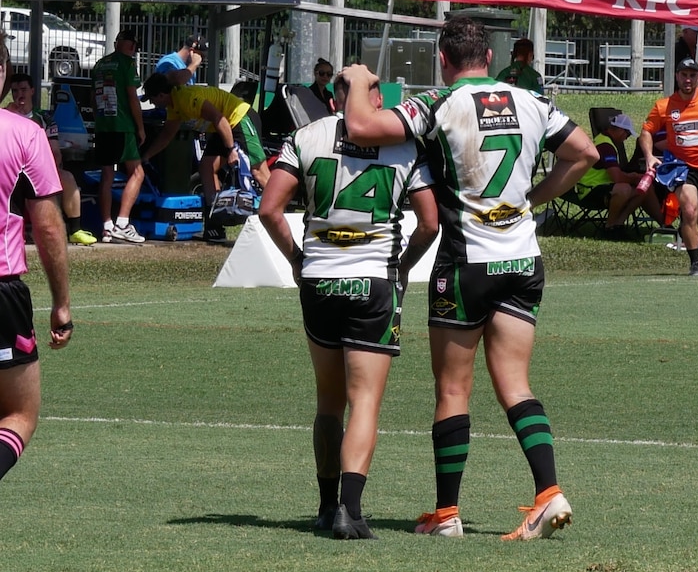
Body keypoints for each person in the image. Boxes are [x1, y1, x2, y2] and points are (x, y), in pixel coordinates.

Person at [341, 15, 599, 541]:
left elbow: (362, 128)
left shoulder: (440, 101)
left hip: (466, 264)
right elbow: (587, 153)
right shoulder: (530, 100)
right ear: (489, 55)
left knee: (453, 390)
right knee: (516, 385)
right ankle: (549, 493)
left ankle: (447, 514)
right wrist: (536, 198)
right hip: (522, 261)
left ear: (443, 59)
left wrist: (360, 82)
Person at [259, 74, 439, 540]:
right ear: (374, 100)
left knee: (329, 403)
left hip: (319, 280)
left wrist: (299, 260)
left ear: (335, 97)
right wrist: (402, 265)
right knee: (365, 403)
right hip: (373, 280)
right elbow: (429, 222)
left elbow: (268, 210)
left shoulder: (305, 137)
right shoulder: (404, 146)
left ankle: (324, 505)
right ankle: (350, 512)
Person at [0, 31, 74, 483]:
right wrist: (61, 304)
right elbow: (47, 226)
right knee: (18, 416)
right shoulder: (25, 134)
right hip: (2, 290)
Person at [139, 72, 271, 242]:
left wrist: (231, 149)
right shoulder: (174, 106)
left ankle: (278, 215)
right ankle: (215, 222)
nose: (152, 103)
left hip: (239, 119)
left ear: (162, 95)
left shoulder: (186, 98)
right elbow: (167, 135)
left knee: (258, 171)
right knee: (206, 167)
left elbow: (219, 117)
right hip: (222, 127)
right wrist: (147, 156)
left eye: (152, 99)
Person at [640, 58, 698, 277]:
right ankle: (695, 263)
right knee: (689, 211)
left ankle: (696, 236)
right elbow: (646, 132)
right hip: (681, 167)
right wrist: (649, 156)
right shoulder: (664, 105)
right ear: (677, 76)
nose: (688, 79)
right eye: (683, 75)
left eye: (692, 75)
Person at [6, 73, 97, 246]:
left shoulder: (44, 119)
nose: (19, 95)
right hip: (11, 172)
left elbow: (55, 152)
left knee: (68, 178)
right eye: (15, 90)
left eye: (24, 89)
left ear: (32, 91)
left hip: (38, 171)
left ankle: (75, 230)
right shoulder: (6, 117)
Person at [91, 29, 147, 244]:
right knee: (137, 173)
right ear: (131, 46)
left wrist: (100, 119)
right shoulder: (127, 64)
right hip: (123, 126)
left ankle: (106, 227)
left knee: (106, 175)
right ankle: (123, 223)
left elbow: (92, 98)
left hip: (103, 126)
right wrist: (140, 127)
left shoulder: (99, 65)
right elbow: (133, 98)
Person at [577, 113, 644, 239]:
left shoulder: (603, 140)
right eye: (627, 134)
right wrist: (634, 177)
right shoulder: (606, 146)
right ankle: (610, 227)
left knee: (642, 190)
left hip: (599, 186)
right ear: (619, 130)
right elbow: (617, 178)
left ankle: (618, 225)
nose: (626, 138)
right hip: (590, 189)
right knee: (624, 189)